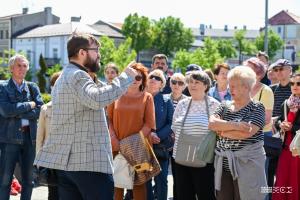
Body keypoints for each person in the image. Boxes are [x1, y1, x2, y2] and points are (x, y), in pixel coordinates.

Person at [34, 32, 138, 200]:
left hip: (71, 165)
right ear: (82, 52)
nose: (99, 55)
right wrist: (125, 77)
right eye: (96, 50)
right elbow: (97, 98)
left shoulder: (65, 76)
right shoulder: (77, 75)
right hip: (87, 165)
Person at [209, 66, 267, 200]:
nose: (230, 89)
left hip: (247, 167)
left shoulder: (257, 107)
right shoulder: (224, 105)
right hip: (223, 167)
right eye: (230, 85)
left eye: (234, 86)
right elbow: (212, 124)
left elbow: (246, 134)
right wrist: (235, 125)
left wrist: (221, 130)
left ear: (246, 87)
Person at [107, 63, 155, 200]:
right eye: (131, 75)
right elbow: (108, 118)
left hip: (139, 148)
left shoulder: (147, 97)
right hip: (116, 146)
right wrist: (113, 139)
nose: (134, 79)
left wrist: (131, 143)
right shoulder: (116, 94)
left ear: (143, 79)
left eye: (138, 77)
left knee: (139, 185)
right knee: (117, 185)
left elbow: (149, 124)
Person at [0, 54, 44, 200]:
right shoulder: (3, 87)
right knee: (5, 181)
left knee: (29, 181)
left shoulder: (32, 87)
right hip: (9, 141)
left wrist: (16, 111)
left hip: (29, 140)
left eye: (25, 66)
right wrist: (28, 105)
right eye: (19, 65)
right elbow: (5, 110)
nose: (22, 69)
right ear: (11, 68)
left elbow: (40, 111)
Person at [172, 70, 219, 200]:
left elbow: (219, 131)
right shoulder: (182, 104)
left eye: (197, 82)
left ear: (206, 86)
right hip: (181, 157)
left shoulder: (214, 105)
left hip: (204, 158)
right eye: (190, 82)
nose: (192, 85)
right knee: (183, 195)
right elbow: (174, 127)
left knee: (205, 194)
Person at [244, 57, 274, 193]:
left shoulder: (266, 91)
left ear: (259, 73)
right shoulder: (242, 89)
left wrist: (243, 125)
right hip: (243, 137)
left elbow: (266, 119)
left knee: (261, 176)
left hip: (261, 139)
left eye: (249, 69)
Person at [146, 69, 174, 200]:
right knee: (144, 181)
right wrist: (149, 134)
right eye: (151, 76)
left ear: (162, 84)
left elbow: (171, 122)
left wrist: (158, 135)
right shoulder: (140, 98)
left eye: (157, 78)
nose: (153, 79)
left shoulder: (166, 100)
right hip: (143, 145)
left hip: (160, 147)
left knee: (162, 181)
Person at [272, 73, 300, 200]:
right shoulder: (286, 103)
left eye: (298, 84)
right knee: (282, 177)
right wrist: (281, 124)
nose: (294, 86)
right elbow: (278, 119)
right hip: (285, 147)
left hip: (298, 147)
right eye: (292, 83)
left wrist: (292, 128)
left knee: (296, 178)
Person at [36, 71, 61, 200]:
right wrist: (38, 161)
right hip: (51, 158)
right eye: (55, 84)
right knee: (53, 192)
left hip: (69, 158)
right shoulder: (45, 109)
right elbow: (40, 137)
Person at [268, 59, 292, 193]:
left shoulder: (296, 88)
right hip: (273, 134)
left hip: (290, 134)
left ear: (290, 70)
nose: (279, 72)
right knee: (270, 169)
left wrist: (278, 119)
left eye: (282, 69)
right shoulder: (270, 90)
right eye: (276, 70)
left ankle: (287, 194)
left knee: (287, 170)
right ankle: (270, 195)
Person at [164, 72, 187, 200]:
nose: (176, 85)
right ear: (169, 83)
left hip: (180, 143)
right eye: (174, 82)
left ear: (184, 86)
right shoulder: (163, 98)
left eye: (180, 83)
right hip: (163, 142)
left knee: (178, 175)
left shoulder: (188, 101)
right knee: (162, 175)